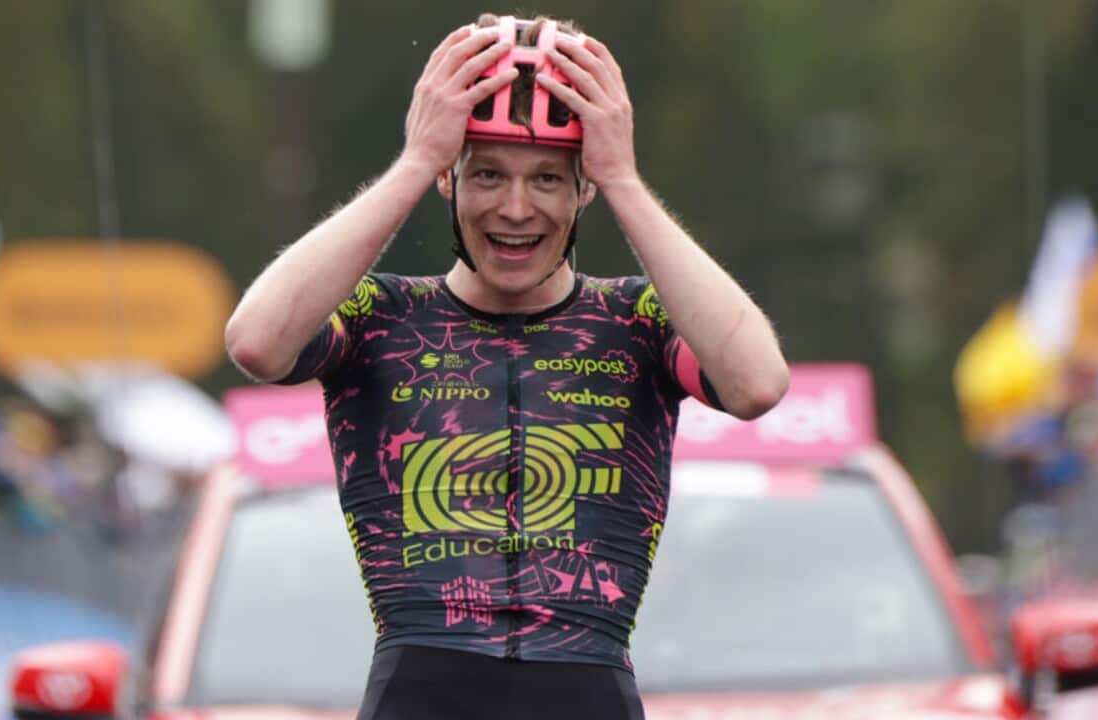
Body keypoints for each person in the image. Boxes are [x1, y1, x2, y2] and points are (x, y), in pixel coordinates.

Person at [226, 13, 788, 720]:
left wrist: (623, 179)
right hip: (419, 681)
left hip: (589, 680)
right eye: (486, 174)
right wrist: (412, 163)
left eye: (549, 178)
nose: (515, 209)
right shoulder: (380, 316)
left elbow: (757, 383)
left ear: (582, 191)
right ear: (449, 181)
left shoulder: (637, 322)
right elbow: (258, 341)